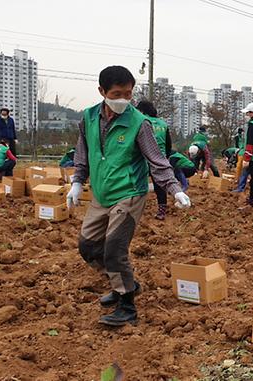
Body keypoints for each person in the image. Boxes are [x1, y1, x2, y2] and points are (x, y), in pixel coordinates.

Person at [66, 66, 189, 326]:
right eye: (116, 93)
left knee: (114, 248)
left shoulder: (138, 123)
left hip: (130, 192)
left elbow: (157, 160)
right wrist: (77, 182)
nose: (123, 99)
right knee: (88, 247)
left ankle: (127, 307)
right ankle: (124, 281)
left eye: (128, 94)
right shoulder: (87, 118)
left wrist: (175, 189)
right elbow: (83, 153)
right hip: (101, 194)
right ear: (102, 91)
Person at [136, 100, 174, 221]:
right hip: (159, 158)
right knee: (159, 185)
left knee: (136, 182)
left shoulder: (140, 121)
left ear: (141, 110)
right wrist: (165, 158)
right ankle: (162, 211)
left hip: (142, 157)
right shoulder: (163, 124)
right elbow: (168, 144)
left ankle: (134, 209)